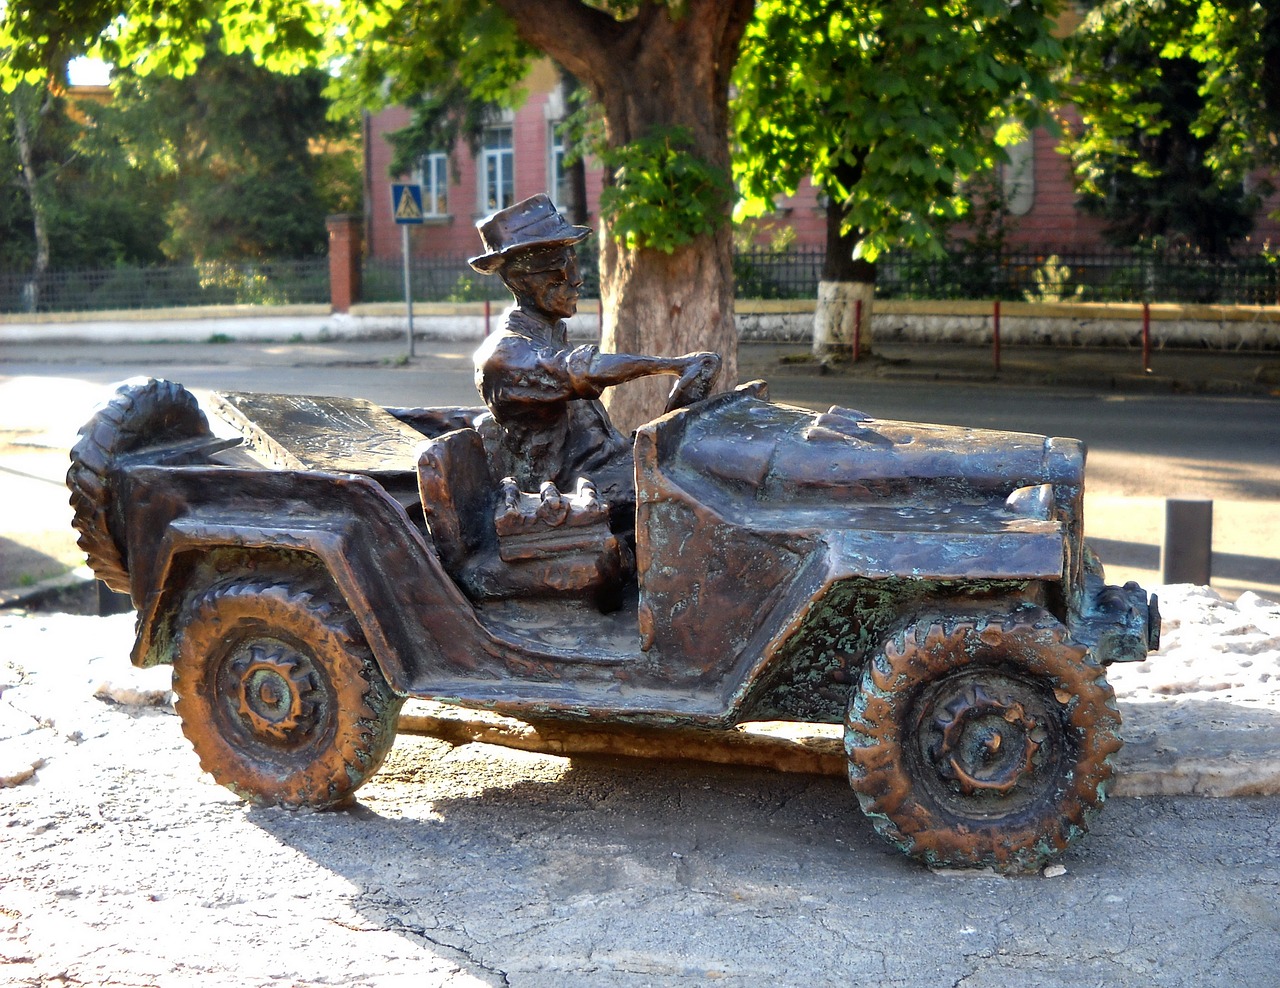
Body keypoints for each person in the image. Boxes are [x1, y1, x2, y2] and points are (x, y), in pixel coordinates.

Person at [469, 194, 719, 523]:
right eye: (560, 270)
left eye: (574, 262)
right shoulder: (506, 355)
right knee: (709, 488)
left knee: (713, 454)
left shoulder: (549, 332)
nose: (576, 279)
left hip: (611, 467)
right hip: (573, 495)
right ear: (521, 281)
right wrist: (671, 365)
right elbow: (586, 370)